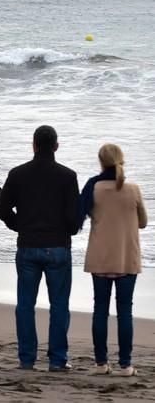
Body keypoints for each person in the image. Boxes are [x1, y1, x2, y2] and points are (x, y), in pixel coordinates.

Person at [0, 125, 79, 371]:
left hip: (28, 246)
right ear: (56, 146)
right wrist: (68, 231)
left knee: (25, 305)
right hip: (58, 248)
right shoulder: (67, 176)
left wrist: (18, 225)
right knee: (60, 305)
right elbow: (74, 220)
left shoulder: (18, 174)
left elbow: (2, 209)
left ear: (33, 145)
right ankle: (57, 360)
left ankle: (27, 359)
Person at [78, 144, 147, 377]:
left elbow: (80, 215)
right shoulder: (133, 189)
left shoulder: (93, 188)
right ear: (121, 160)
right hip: (127, 257)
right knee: (125, 311)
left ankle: (100, 363)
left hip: (100, 257)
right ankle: (126, 365)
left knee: (100, 310)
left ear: (100, 161)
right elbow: (143, 222)